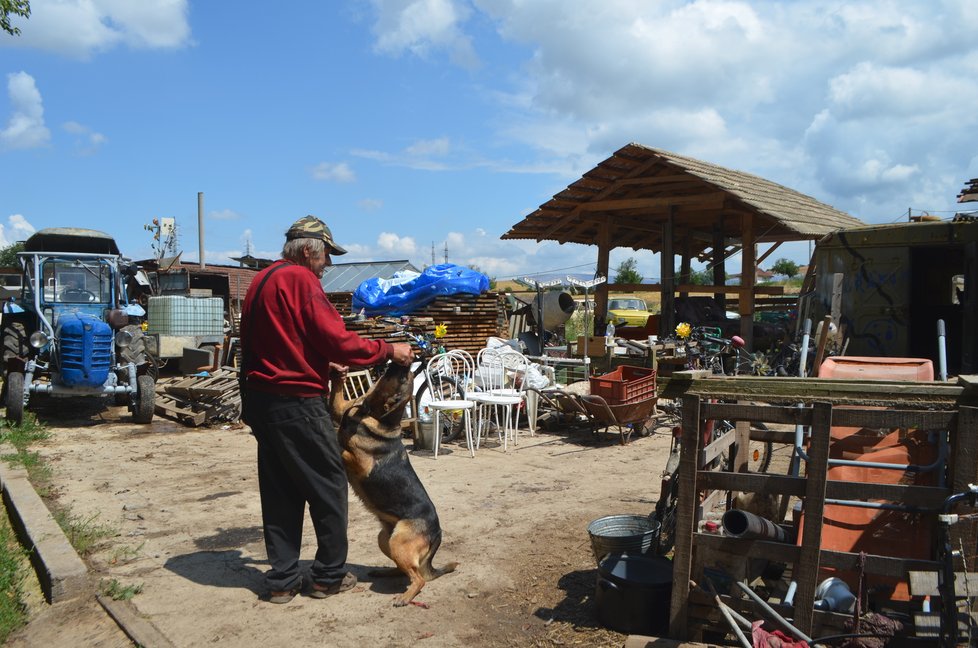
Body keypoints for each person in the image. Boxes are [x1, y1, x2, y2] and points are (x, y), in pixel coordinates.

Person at [240, 214, 413, 604]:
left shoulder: (261, 281)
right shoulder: (301, 279)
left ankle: (283, 581)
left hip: (263, 401)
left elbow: (271, 343)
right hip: (297, 404)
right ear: (307, 251)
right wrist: (388, 350)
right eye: (325, 257)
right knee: (329, 485)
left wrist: (320, 364)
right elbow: (337, 338)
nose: (327, 265)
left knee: (280, 491)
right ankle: (327, 577)